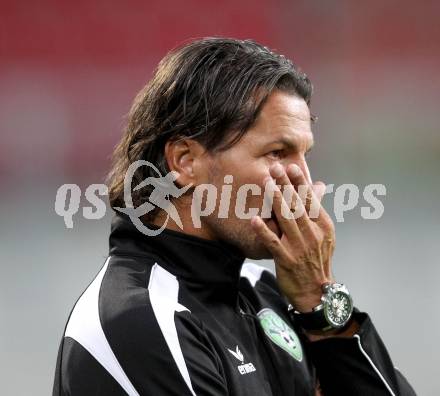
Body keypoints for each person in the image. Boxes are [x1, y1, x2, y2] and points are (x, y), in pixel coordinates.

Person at [53, 38, 416, 395]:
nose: (302, 181)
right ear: (185, 161)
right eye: (277, 152)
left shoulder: (265, 291)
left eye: (304, 155)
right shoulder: (139, 323)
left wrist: (318, 305)